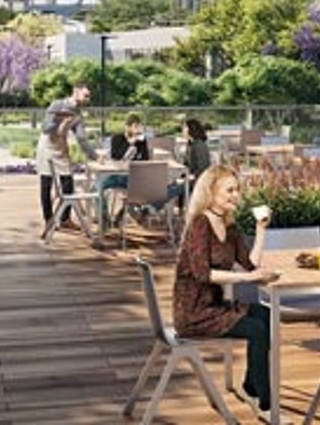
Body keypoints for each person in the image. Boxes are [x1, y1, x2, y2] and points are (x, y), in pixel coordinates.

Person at [175, 165, 278, 421]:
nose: (236, 195)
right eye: (229, 190)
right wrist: (247, 278)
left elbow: (250, 263)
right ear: (211, 192)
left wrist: (261, 230)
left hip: (216, 306)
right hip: (194, 312)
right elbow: (202, 273)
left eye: (237, 190)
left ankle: (251, 387)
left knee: (265, 315)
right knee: (257, 329)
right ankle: (266, 404)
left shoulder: (229, 227)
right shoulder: (200, 224)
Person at [36, 84, 92, 239]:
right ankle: (48, 219)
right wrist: (59, 121)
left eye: (89, 96)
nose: (88, 99)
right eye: (86, 95)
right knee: (46, 183)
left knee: (68, 182)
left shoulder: (78, 114)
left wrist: (94, 156)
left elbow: (81, 139)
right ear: (76, 91)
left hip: (61, 146)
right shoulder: (57, 105)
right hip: (47, 146)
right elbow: (45, 128)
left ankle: (65, 218)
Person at [98, 113, 152, 223]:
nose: (137, 129)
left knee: (137, 192)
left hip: (134, 178)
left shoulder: (141, 141)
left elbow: (145, 159)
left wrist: (138, 142)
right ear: (127, 127)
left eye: (138, 126)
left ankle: (131, 211)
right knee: (97, 187)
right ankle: (105, 218)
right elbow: (115, 156)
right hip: (118, 175)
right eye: (134, 126)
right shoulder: (117, 138)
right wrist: (129, 143)